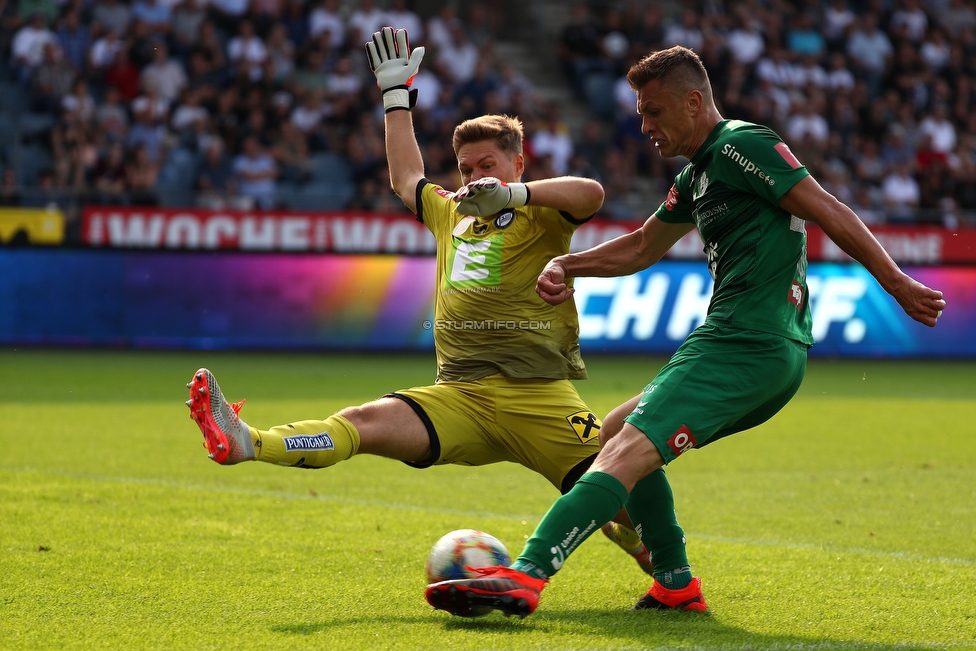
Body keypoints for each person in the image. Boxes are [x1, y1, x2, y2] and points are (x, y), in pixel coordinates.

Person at [424, 45, 946, 619]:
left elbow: (827, 208)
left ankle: (525, 575)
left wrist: (895, 283)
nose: (644, 126)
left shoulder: (742, 145)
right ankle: (675, 583)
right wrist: (567, 265)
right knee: (619, 428)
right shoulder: (698, 173)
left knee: (624, 448)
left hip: (751, 343)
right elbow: (644, 245)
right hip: (738, 342)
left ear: (693, 102)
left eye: (653, 111)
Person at [184, 27, 686, 585]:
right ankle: (248, 443)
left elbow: (591, 193)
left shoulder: (539, 211)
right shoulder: (450, 211)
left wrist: (514, 195)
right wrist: (396, 97)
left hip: (538, 398)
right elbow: (406, 178)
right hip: (460, 397)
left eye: (488, 165)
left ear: (519, 164)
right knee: (360, 423)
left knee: (618, 496)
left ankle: (653, 559)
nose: (475, 177)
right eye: (467, 169)